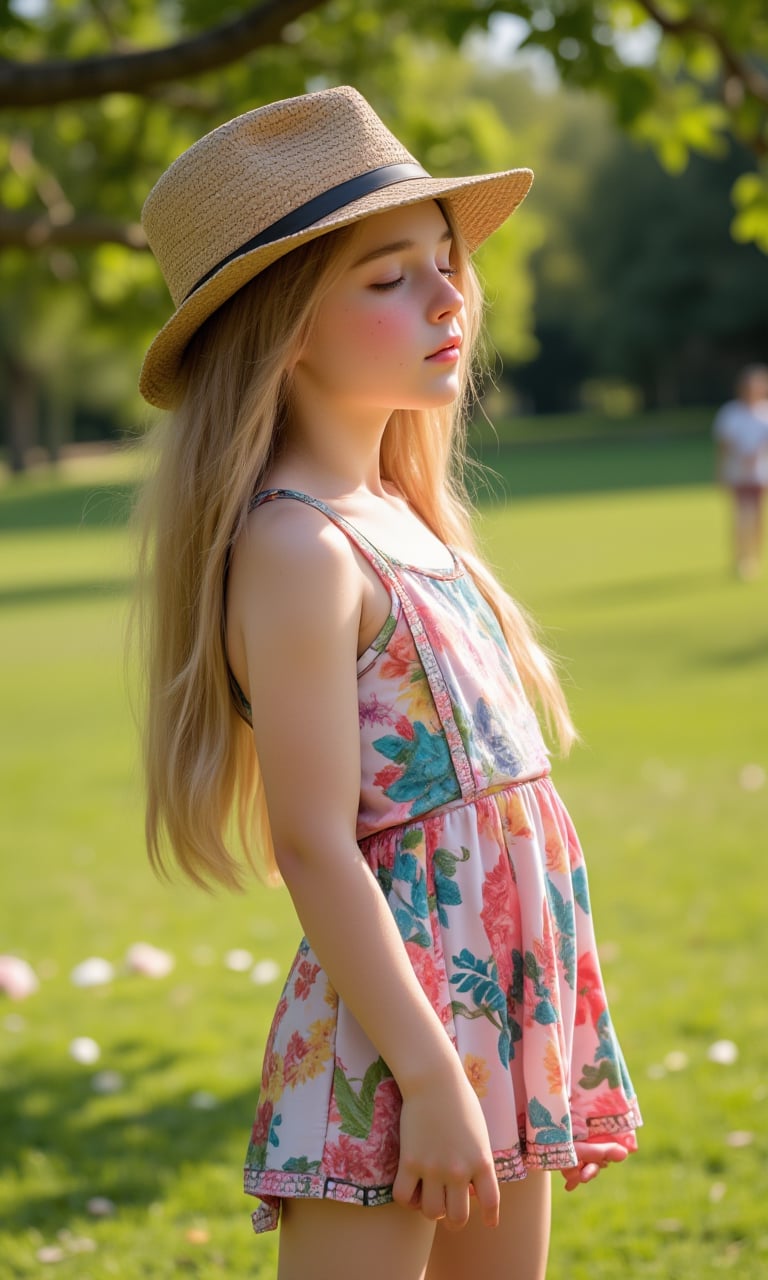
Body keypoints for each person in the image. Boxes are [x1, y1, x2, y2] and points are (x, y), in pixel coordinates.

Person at [136, 86, 641, 1280]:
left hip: (501, 998)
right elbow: (317, 843)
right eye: (389, 275)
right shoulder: (298, 546)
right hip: (394, 1032)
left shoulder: (412, 519)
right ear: (286, 328)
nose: (448, 295)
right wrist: (425, 1073)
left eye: (445, 262)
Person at [713, 365, 768, 579]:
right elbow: (724, 442)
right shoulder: (731, 412)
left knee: (758, 516)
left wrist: (757, 454)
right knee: (741, 515)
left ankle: (754, 555)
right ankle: (741, 558)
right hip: (737, 472)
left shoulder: (765, 411)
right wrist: (727, 466)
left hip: (761, 472)